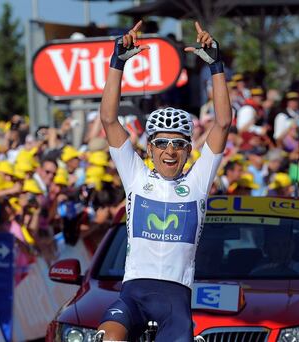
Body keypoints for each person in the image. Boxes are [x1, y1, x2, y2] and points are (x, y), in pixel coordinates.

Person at [95, 20, 231, 342]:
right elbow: (108, 119)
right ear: (150, 148)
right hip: (132, 296)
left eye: (179, 144)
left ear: (188, 150)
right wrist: (118, 63)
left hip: (175, 301)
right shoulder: (136, 175)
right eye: (162, 143)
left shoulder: (198, 181)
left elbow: (223, 123)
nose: (170, 150)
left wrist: (216, 66)